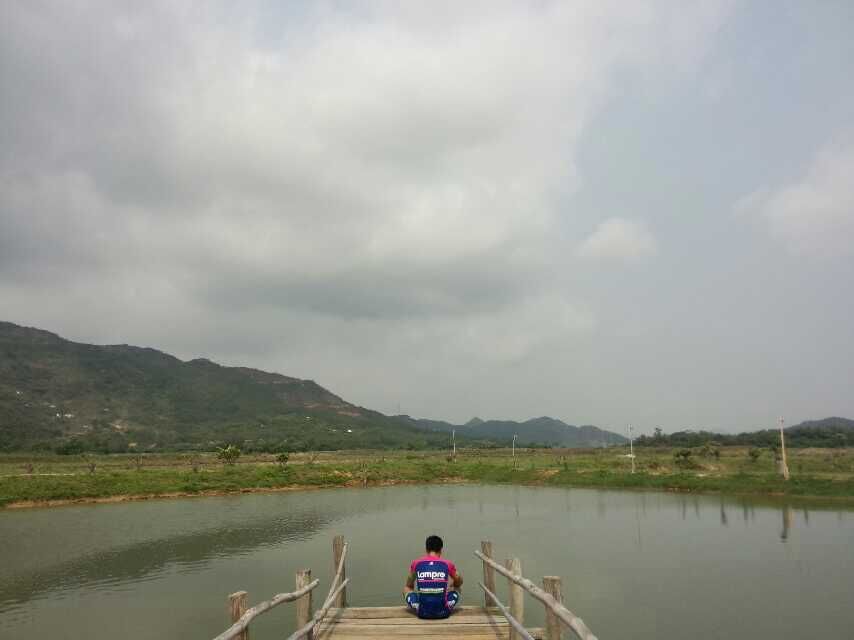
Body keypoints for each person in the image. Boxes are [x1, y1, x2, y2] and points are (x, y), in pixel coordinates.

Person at [403, 534, 462, 619]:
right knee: (457, 588)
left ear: (426, 549)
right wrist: (454, 584)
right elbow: (459, 580)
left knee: (406, 589)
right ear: (441, 549)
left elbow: (409, 585)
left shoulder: (416, 563)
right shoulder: (447, 564)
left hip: (422, 613)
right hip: (444, 613)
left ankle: (419, 605)